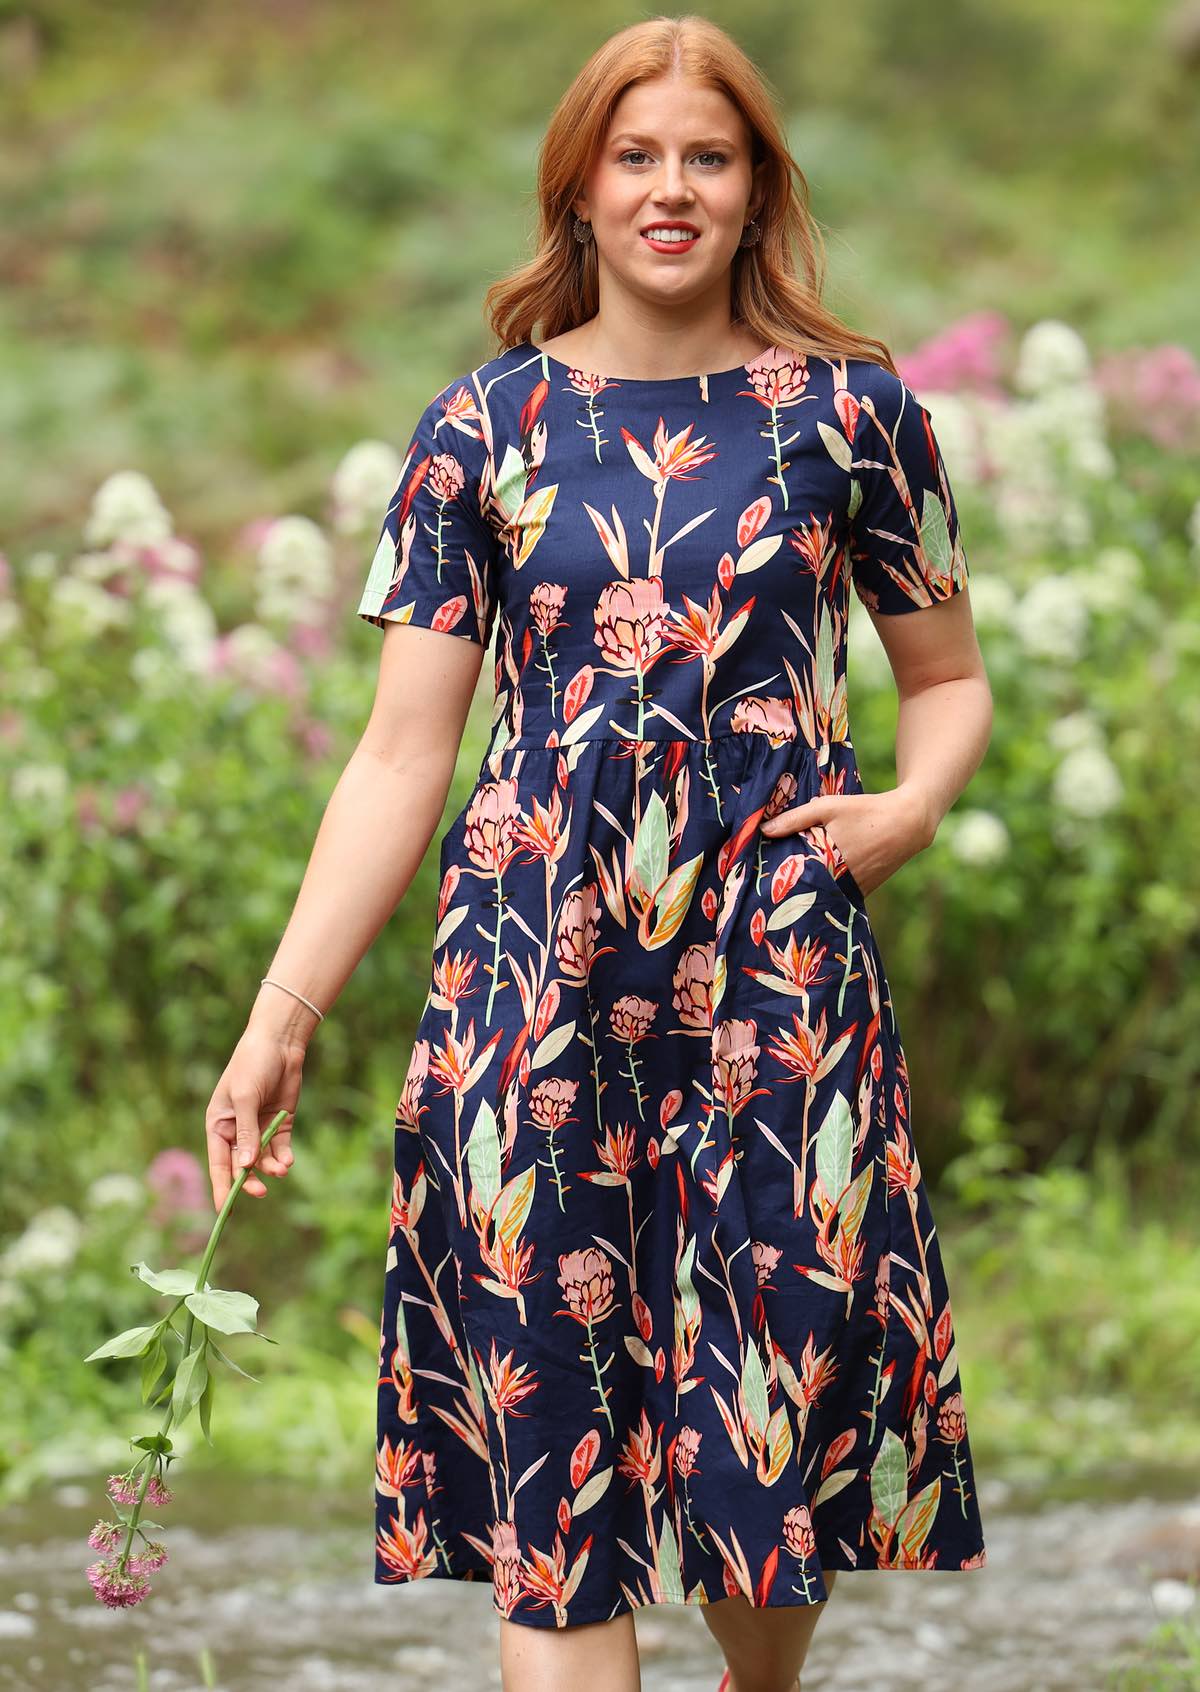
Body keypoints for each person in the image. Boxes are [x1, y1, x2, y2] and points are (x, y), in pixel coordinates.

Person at [205, 15, 993, 1692]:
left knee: (770, 1409)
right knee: (548, 1454)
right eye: (636, 156)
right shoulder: (478, 428)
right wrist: (284, 1015)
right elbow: (402, 750)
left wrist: (912, 809)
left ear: (756, 186)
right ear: (577, 184)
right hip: (528, 978)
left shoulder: (851, 412)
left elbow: (950, 678)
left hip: (776, 968)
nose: (671, 189)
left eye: (708, 157)